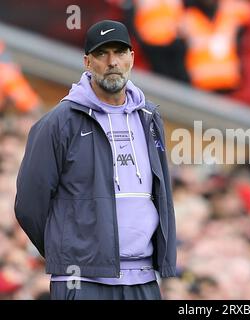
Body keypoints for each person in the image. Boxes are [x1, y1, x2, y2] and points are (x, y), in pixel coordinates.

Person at [14, 20, 176, 300]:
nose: (112, 61)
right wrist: (70, 249)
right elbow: (29, 205)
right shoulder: (58, 123)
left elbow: (160, 194)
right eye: (102, 54)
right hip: (82, 281)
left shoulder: (150, 117)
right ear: (87, 62)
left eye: (120, 52)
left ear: (132, 58)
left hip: (143, 279)